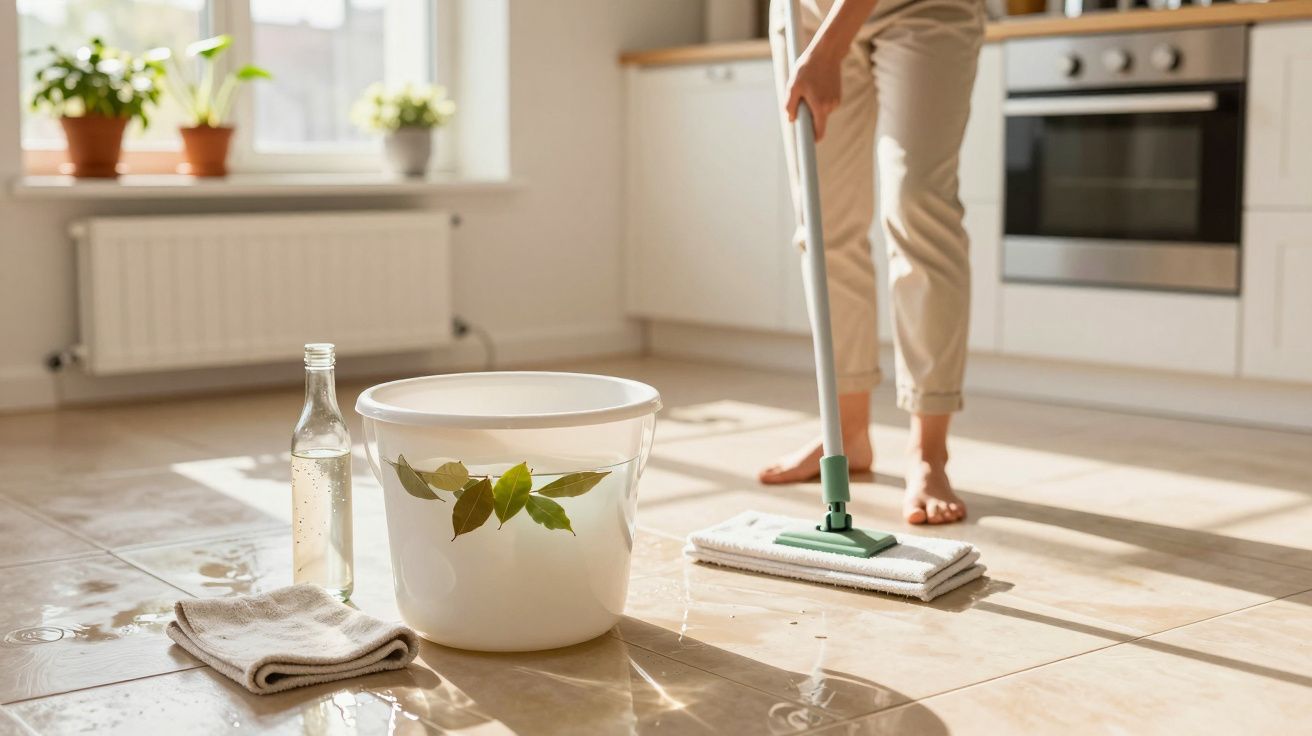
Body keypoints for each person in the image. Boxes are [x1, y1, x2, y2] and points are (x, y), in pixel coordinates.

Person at [758, 0, 984, 526]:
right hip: (805, 12)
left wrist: (829, 47)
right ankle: (847, 434)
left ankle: (929, 452)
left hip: (924, 8)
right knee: (823, 222)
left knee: (918, 205)